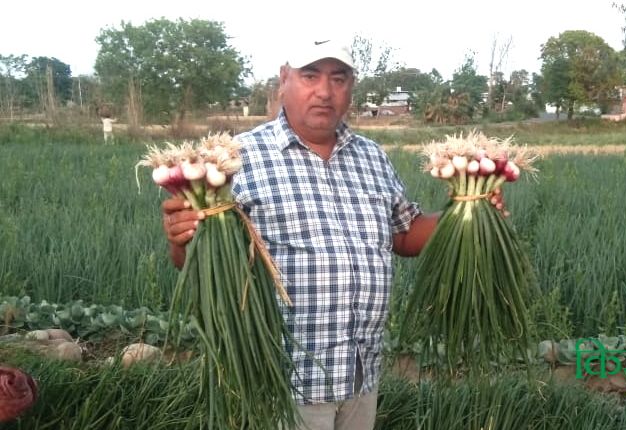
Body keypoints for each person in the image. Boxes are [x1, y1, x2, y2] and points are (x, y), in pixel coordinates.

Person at [161, 39, 506, 430]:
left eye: (338, 78)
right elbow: (200, 261)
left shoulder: (371, 156)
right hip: (282, 380)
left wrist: (467, 209)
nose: (325, 91)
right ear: (284, 80)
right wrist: (180, 238)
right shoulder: (233, 161)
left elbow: (405, 235)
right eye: (310, 76)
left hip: (360, 375)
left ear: (351, 87)